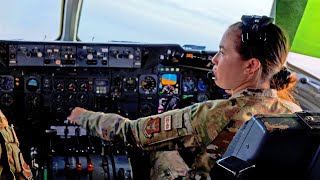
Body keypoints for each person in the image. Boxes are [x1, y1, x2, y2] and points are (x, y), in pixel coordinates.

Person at [67, 15, 302, 179]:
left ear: (251, 66)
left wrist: (83, 116)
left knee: (162, 149)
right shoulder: (295, 113)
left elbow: (133, 133)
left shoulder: (214, 115)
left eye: (222, 52)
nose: (214, 61)